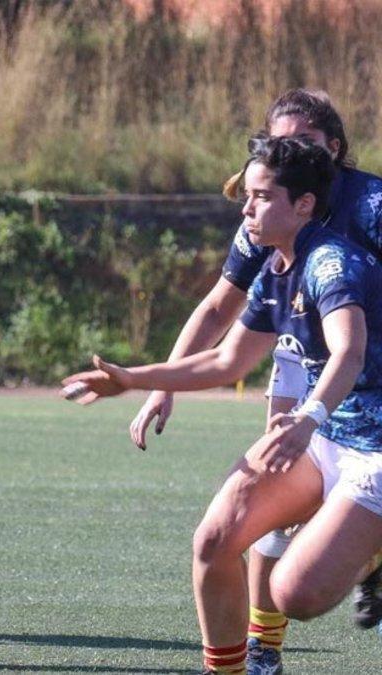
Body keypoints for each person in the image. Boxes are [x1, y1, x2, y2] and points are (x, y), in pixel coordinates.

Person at [64, 135, 382, 675]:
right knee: (213, 540)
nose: (246, 207)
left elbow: (348, 352)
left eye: (260, 196)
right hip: (323, 436)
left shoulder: (330, 263)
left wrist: (307, 419)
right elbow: (226, 362)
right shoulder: (277, 269)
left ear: (303, 205)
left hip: (370, 451)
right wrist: (133, 379)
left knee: (295, 595)